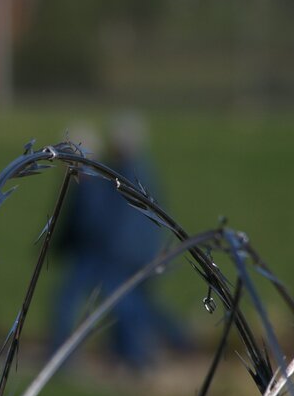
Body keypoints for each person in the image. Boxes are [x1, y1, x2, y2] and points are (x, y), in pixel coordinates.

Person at [51, 114, 190, 370]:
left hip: (118, 255)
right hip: (131, 253)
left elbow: (97, 221)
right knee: (133, 304)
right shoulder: (131, 172)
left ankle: (146, 352)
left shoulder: (115, 177)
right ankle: (147, 350)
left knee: (124, 304)